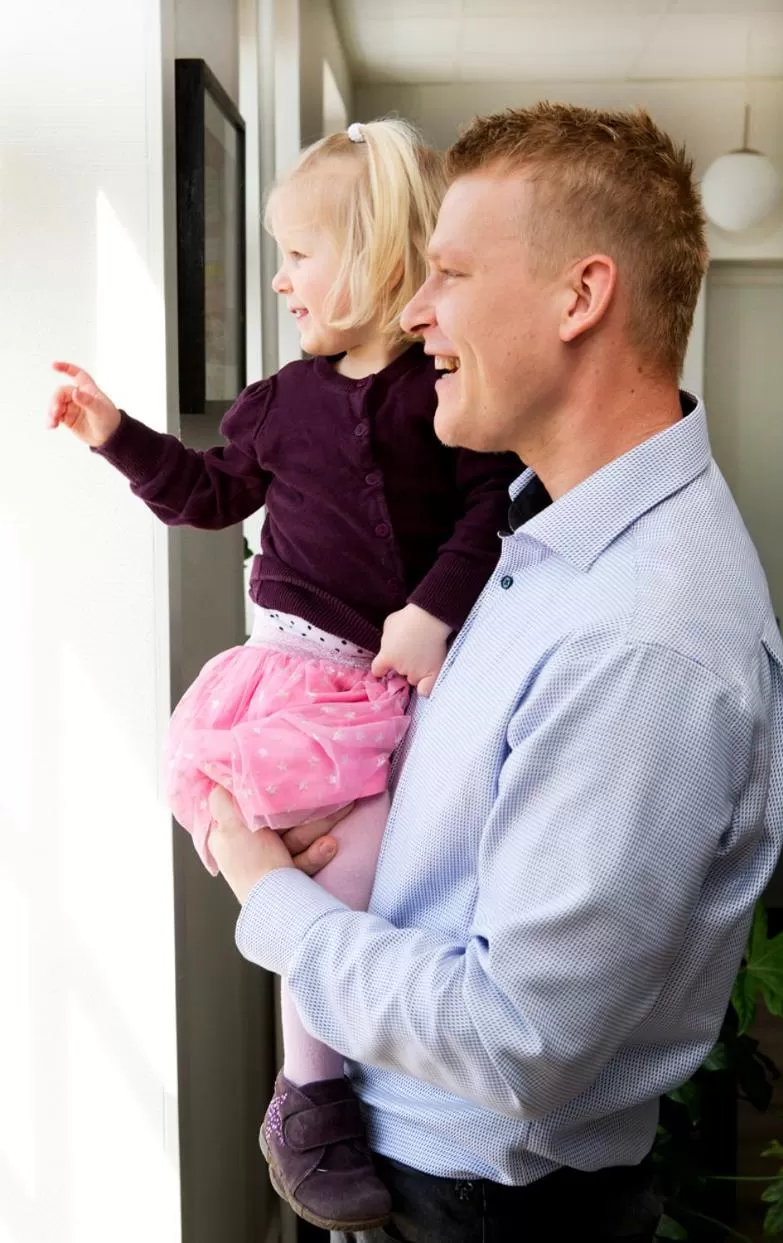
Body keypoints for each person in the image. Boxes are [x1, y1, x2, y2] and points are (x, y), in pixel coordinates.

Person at [205, 102, 783, 1243]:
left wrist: (264, 890)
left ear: (580, 298)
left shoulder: (643, 639)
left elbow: (512, 1037)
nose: (414, 312)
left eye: (451, 272)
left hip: (476, 1208)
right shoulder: (540, 534)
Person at [47, 117, 521, 1234]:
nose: (279, 278)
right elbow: (209, 496)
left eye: (299, 255)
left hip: (393, 684)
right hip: (294, 681)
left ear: (373, 255)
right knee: (311, 881)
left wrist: (429, 609)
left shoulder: (438, 395)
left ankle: (340, 1085)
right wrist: (119, 435)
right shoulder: (278, 399)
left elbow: (487, 513)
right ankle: (310, 1097)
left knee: (377, 878)